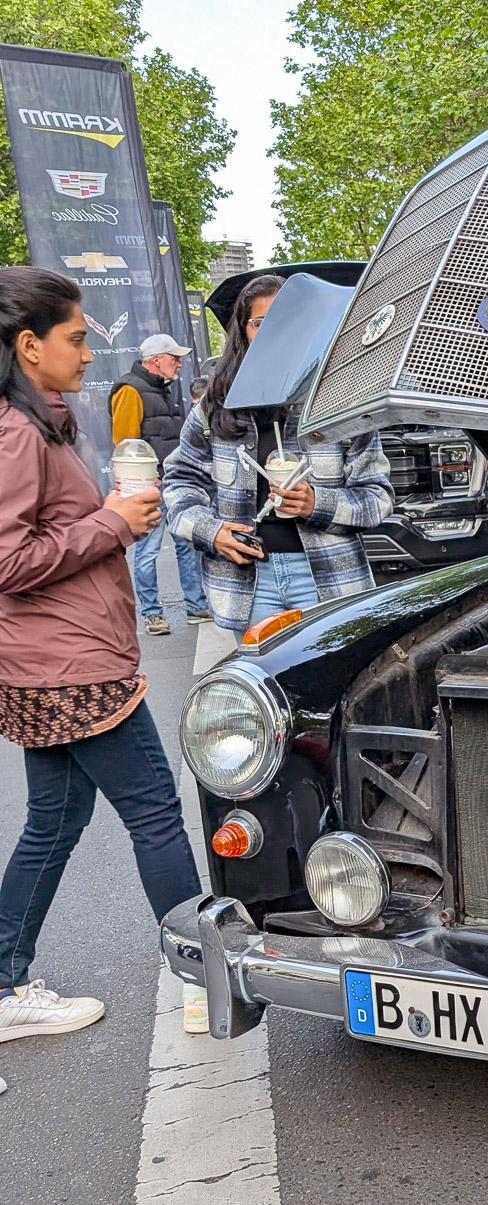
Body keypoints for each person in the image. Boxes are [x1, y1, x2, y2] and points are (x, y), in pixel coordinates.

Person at [0, 266, 202, 1042]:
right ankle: (206, 974)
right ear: (28, 345)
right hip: (71, 668)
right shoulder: (19, 432)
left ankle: (6, 979)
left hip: (50, 662)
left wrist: (111, 520)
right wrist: (113, 522)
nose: (88, 352)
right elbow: (10, 560)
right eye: (76, 338)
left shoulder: (38, 420)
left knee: (52, 823)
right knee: (155, 811)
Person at [164, 274, 394, 636]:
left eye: (286, 321)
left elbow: (377, 498)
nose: (273, 332)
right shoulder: (214, 409)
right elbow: (180, 481)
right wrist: (211, 531)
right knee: (264, 688)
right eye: (260, 323)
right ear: (243, 331)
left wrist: (316, 503)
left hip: (329, 578)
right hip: (247, 583)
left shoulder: (342, 403)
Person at [110, 333, 209, 634]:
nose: (179, 363)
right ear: (157, 360)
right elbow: (125, 444)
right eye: (174, 358)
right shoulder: (129, 389)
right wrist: (143, 481)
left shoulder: (164, 390)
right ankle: (152, 613)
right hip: (150, 487)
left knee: (185, 546)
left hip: (172, 482)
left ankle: (196, 606)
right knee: (148, 551)